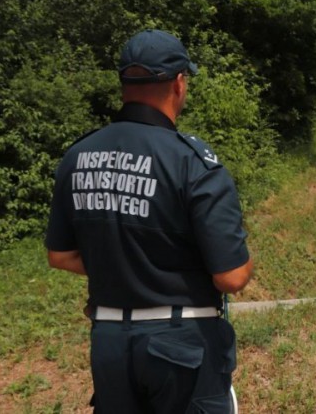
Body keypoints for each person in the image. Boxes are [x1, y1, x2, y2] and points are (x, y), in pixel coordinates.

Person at [45, 29, 253, 413]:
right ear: (179, 83)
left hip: (109, 344)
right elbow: (232, 276)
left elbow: (60, 255)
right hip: (183, 345)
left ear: (124, 83)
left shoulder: (77, 157)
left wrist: (123, 266)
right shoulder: (192, 162)